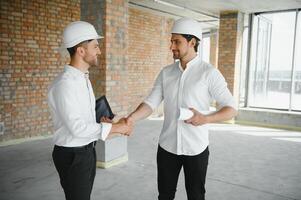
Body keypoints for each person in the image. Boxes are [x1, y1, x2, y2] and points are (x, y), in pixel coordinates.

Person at [126, 17, 237, 200]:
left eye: (177, 41)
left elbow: (231, 108)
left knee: (196, 195)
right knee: (165, 195)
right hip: (167, 147)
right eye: (171, 41)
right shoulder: (166, 73)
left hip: (196, 149)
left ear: (192, 42)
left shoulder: (209, 73)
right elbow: (150, 103)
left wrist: (205, 119)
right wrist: (131, 118)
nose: (171, 46)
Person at [47, 21, 132, 200]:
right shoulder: (65, 85)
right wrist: (117, 128)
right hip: (73, 155)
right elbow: (77, 128)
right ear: (81, 51)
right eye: (95, 46)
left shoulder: (83, 78)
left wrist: (101, 122)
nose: (99, 51)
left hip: (86, 150)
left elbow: (83, 117)